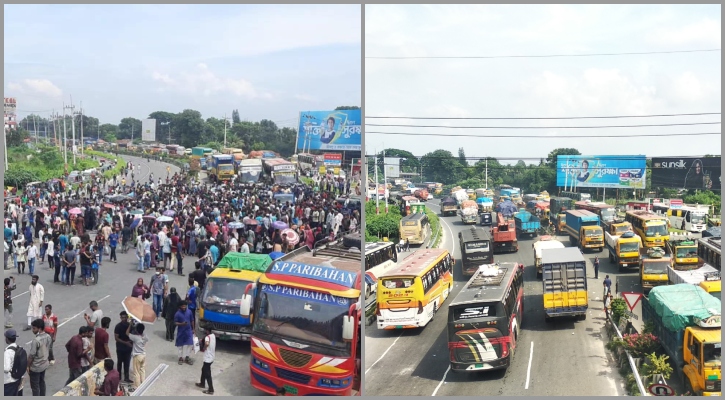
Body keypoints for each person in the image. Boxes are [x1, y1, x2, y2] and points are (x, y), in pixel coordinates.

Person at [28, 318, 51, 396]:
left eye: (34, 328)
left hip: (36, 367)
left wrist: (27, 366)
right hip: (44, 364)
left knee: (35, 386)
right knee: (42, 382)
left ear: (39, 329)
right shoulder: (48, 336)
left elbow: (31, 355)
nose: (32, 330)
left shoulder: (36, 341)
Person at [114, 312, 133, 384]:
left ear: (127, 318)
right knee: (120, 362)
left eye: (125, 317)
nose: (124, 319)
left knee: (127, 363)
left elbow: (133, 335)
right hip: (120, 348)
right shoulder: (118, 326)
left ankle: (126, 377)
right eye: (122, 317)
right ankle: (118, 378)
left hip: (128, 348)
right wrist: (126, 343)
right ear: (120, 317)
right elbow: (116, 338)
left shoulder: (130, 326)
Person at [127, 320, 147, 389]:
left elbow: (127, 333)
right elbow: (142, 332)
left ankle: (137, 386)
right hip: (143, 355)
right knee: (142, 370)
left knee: (136, 372)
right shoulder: (145, 336)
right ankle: (143, 382)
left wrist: (130, 324)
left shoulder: (135, 337)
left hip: (137, 355)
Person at [195, 326, 215, 395]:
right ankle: (202, 383)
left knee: (207, 374)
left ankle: (211, 389)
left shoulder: (207, 337)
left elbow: (207, 343)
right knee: (203, 369)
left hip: (208, 358)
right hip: (212, 357)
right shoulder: (213, 336)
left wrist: (204, 348)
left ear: (207, 331)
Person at [4, 329, 24, 396]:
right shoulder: (20, 348)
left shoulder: (7, 352)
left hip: (9, 381)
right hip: (18, 378)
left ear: (7, 339)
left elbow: (6, 368)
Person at [175, 300, 195, 365]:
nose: (184, 307)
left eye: (185, 306)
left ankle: (187, 357)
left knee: (190, 344)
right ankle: (180, 358)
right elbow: (175, 323)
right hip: (181, 332)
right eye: (182, 306)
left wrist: (193, 329)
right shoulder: (177, 314)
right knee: (180, 346)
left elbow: (192, 320)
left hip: (188, 331)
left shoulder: (189, 312)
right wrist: (182, 324)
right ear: (180, 306)